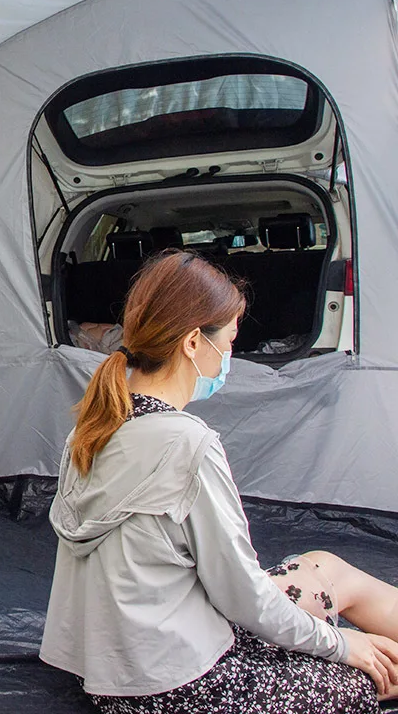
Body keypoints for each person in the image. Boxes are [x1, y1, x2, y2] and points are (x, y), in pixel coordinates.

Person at [40, 250, 398, 713]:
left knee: (325, 567)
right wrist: (342, 646)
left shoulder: (89, 430)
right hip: (180, 687)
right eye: (228, 341)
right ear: (193, 342)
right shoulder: (188, 445)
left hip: (120, 667)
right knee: (378, 665)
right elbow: (244, 597)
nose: (229, 356)